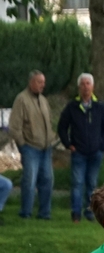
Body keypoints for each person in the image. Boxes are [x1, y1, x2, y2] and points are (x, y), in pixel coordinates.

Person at [58, 73, 104, 223]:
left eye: (88, 84)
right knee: (77, 183)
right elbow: (62, 127)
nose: (85, 87)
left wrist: (102, 145)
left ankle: (90, 212)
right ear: (79, 88)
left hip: (95, 152)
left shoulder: (100, 107)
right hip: (78, 152)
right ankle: (76, 213)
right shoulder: (72, 107)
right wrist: (68, 144)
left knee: (92, 184)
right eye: (82, 84)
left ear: (93, 87)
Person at [9, 70, 55, 220]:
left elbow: (49, 121)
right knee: (29, 181)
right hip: (30, 147)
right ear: (31, 82)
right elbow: (15, 126)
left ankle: (44, 213)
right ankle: (26, 212)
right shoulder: (21, 100)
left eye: (43, 82)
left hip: (46, 148)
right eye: (39, 82)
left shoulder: (43, 100)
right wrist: (22, 145)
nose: (43, 85)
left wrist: (51, 138)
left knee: (47, 180)